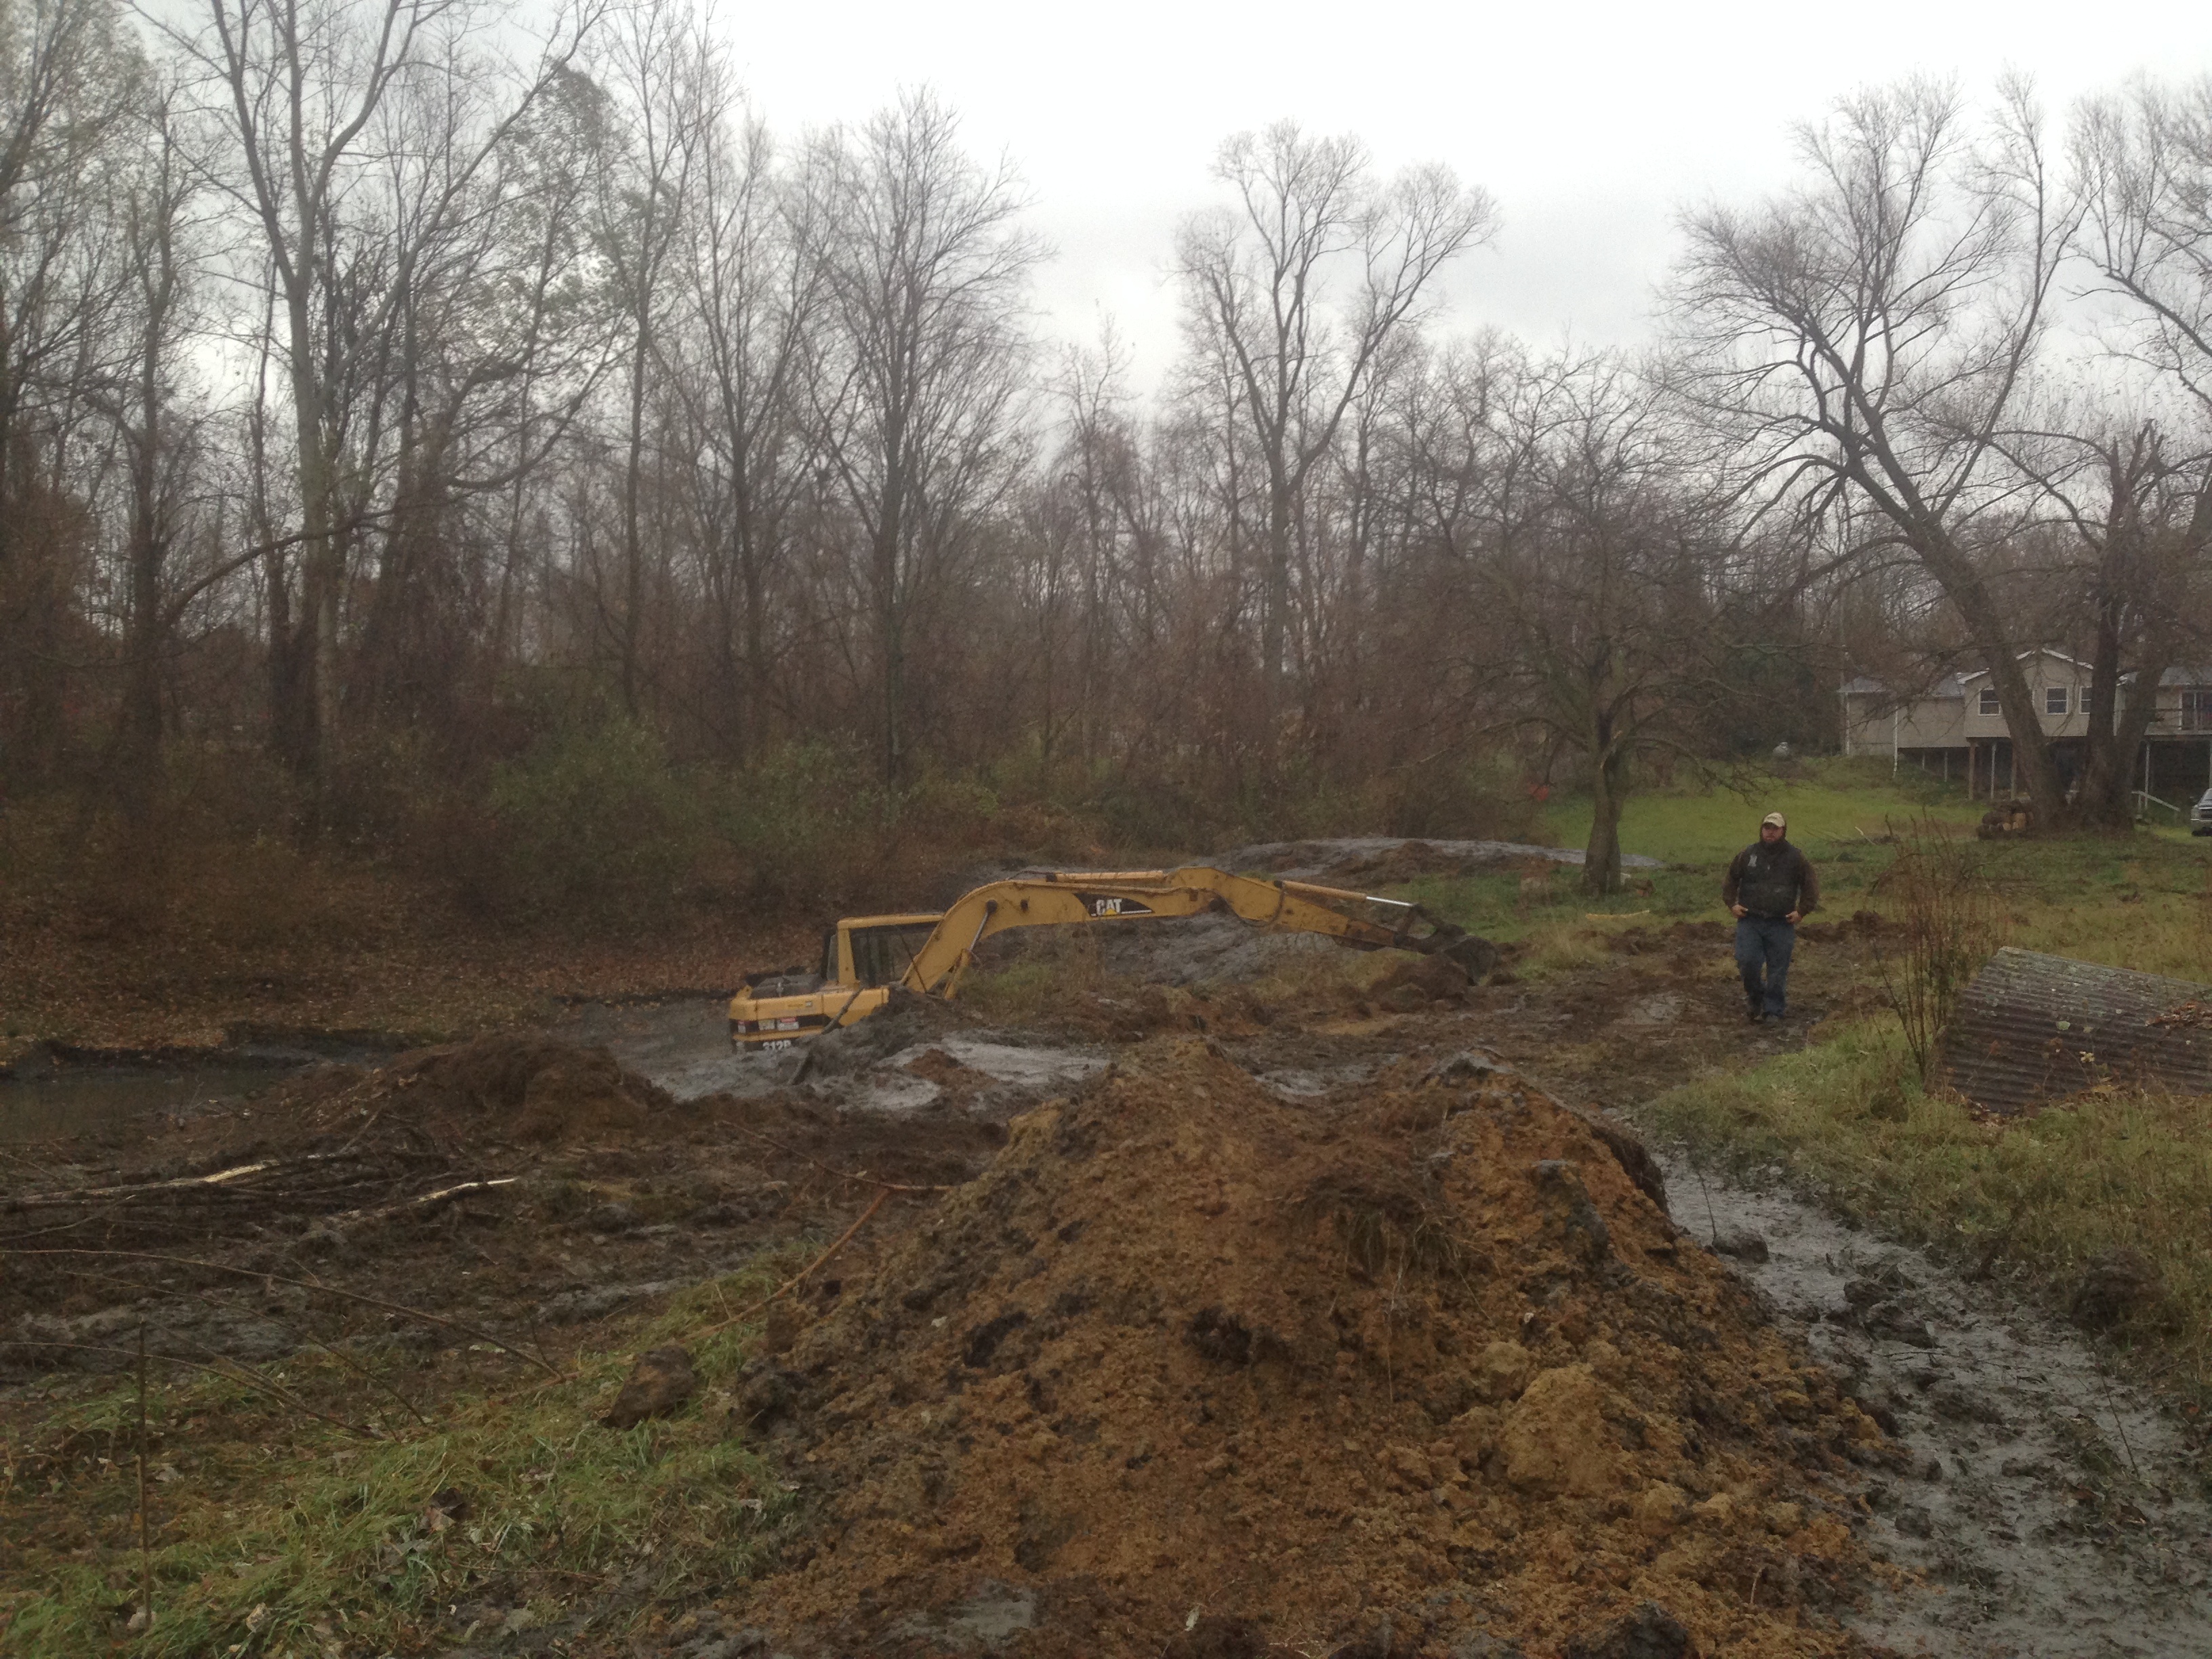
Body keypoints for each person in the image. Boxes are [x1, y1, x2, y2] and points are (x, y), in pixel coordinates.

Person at [1722, 811, 1818, 1023]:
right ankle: (1756, 998)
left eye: (1775, 828)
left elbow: (1810, 886)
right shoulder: (1748, 854)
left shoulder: (1796, 857)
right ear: (1762, 829)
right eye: (1767, 827)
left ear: (1783, 831)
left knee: (1777, 969)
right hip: (1751, 920)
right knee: (1747, 962)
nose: (1770, 832)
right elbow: (1730, 880)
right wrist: (1732, 904)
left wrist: (1802, 911)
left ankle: (1773, 1010)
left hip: (1781, 922)